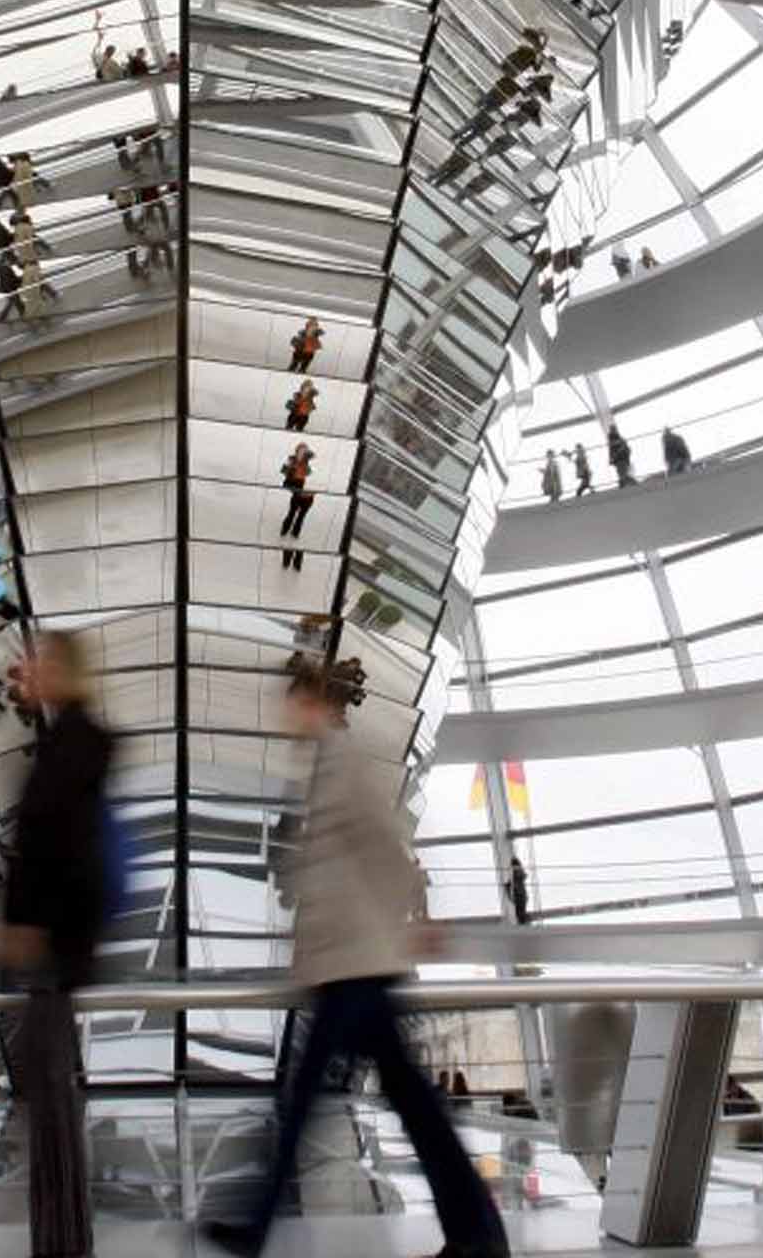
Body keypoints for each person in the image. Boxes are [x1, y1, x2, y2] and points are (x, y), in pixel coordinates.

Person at [204, 669, 509, 1258]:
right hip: (347, 968)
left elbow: (385, 846)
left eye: (294, 705)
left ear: (316, 703)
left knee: (303, 1108)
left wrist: (414, 920)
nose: (287, 717)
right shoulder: (322, 767)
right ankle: (478, 1235)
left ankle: (256, 1227)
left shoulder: (345, 764)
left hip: (357, 968)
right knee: (413, 1111)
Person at [0, 632, 113, 1258]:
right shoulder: (72, 739)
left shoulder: (74, 743)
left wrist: (25, 922)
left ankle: (63, 1243)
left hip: (52, 948)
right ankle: (63, 1238)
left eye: (41, 659)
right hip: (58, 945)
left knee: (52, 1103)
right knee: (53, 1101)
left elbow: (52, 843)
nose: (29, 668)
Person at [280, 445, 316, 569]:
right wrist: (292, 467)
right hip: (293, 485)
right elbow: (284, 472)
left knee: (300, 516)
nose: (303, 454)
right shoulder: (291, 460)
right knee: (292, 512)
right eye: (301, 451)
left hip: (301, 489)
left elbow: (308, 473)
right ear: (297, 452)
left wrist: (305, 464)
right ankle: (285, 530)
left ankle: (294, 534)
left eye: (304, 452)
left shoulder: (306, 464)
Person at [722, 1073, 763, 1150]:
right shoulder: (726, 1100)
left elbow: (755, 1118)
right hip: (737, 1136)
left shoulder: (747, 1099)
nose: (730, 1094)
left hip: (749, 1136)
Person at [606, 422, 635, 488]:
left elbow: (612, 448)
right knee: (623, 473)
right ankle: (630, 484)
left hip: (621, 458)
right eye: (613, 428)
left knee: (622, 473)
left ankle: (625, 485)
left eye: (614, 428)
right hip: (620, 458)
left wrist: (612, 458)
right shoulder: (613, 437)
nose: (614, 429)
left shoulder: (615, 437)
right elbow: (613, 448)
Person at [506, 851, 529, 924]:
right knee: (520, 910)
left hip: (519, 893)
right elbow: (522, 877)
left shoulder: (516, 872)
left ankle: (522, 921)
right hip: (520, 893)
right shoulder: (518, 872)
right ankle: (523, 921)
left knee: (519, 910)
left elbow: (521, 877)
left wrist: (508, 887)